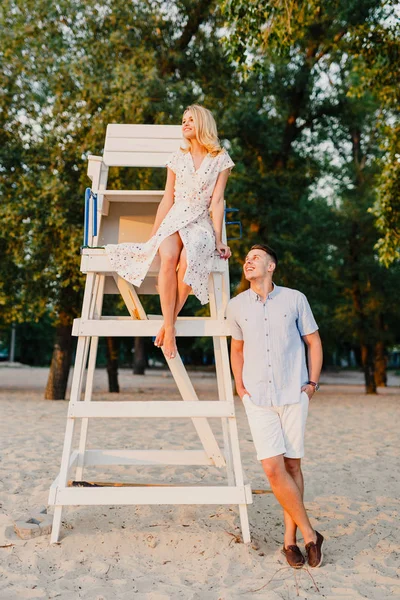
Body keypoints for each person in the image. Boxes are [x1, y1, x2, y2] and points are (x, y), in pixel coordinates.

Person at [106, 104, 234, 359]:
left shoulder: (221, 159)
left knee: (190, 258)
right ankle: (171, 328)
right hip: (175, 217)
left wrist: (219, 238)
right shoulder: (177, 157)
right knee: (168, 258)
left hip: (200, 221)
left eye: (190, 120)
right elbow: (167, 198)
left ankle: (168, 324)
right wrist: (154, 234)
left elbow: (218, 201)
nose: (184, 124)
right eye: (183, 120)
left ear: (203, 124)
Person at [226, 245, 324, 569]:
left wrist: (312, 384)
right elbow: (236, 349)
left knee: (293, 467)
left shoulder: (295, 299)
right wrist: (240, 388)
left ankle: (290, 541)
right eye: (246, 259)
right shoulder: (236, 306)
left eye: (255, 258)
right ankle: (311, 533)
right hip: (258, 399)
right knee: (272, 468)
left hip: (293, 394)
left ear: (271, 266)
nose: (248, 262)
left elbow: (313, 341)